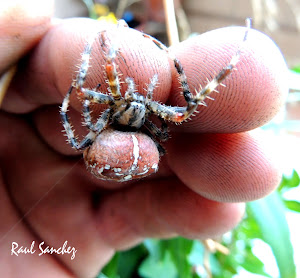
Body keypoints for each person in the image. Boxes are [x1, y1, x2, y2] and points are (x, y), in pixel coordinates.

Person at [0, 1, 288, 277]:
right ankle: (227, 58)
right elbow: (173, 113)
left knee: (112, 91)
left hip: (129, 150)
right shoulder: (141, 119)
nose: (136, 104)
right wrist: (174, 67)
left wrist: (73, 94)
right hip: (131, 150)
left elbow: (82, 99)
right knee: (178, 110)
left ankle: (233, 60)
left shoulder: (115, 103)